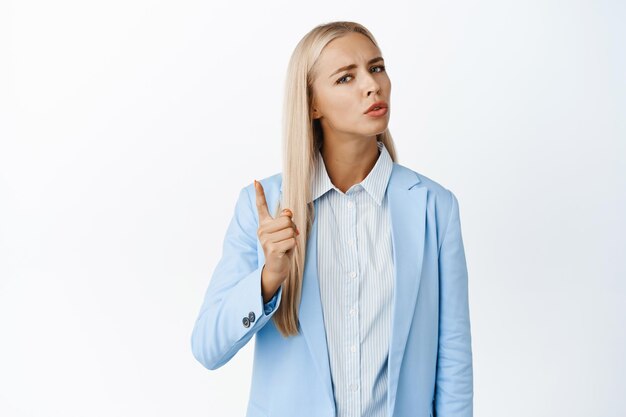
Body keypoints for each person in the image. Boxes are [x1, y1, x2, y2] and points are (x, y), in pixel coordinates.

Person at [191, 21, 473, 417]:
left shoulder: (434, 208)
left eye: (376, 68)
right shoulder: (264, 208)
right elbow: (207, 347)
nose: (371, 85)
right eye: (345, 77)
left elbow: (453, 359)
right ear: (312, 105)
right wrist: (268, 278)